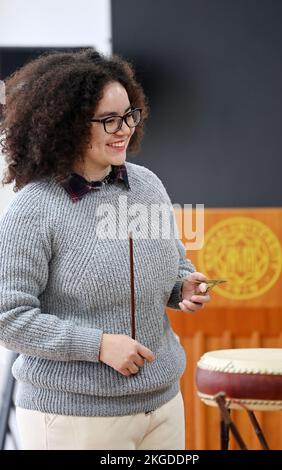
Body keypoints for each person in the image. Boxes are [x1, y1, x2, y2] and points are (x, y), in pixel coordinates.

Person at [0, 48, 210, 450]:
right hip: (73, 417)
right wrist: (97, 346)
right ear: (68, 125)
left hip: (163, 405)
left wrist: (181, 285)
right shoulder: (34, 208)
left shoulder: (147, 185)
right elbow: (7, 316)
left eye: (129, 115)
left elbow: (169, 260)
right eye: (108, 120)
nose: (124, 129)